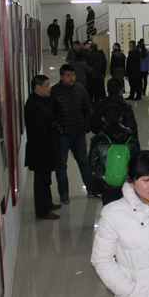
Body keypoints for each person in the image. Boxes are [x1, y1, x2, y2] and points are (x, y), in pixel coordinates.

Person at [91, 151, 149, 297]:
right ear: (131, 181)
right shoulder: (113, 213)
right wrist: (129, 291)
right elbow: (101, 259)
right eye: (146, 180)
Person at [50, 64, 97, 203]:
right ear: (61, 77)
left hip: (79, 134)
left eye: (73, 75)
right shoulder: (54, 92)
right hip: (62, 136)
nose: (71, 78)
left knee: (84, 162)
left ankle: (91, 189)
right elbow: (51, 115)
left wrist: (86, 126)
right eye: (68, 75)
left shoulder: (80, 89)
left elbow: (88, 109)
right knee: (61, 166)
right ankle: (64, 194)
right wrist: (58, 129)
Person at [24, 75, 63, 219]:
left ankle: (48, 204)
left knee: (46, 179)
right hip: (40, 150)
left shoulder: (42, 101)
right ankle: (42, 211)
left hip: (45, 148)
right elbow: (39, 130)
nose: (49, 88)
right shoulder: (34, 105)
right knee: (41, 181)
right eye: (46, 85)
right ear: (37, 87)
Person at [88, 104, 141, 206]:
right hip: (127, 184)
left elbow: (92, 163)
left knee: (109, 209)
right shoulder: (131, 137)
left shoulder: (98, 140)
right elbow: (137, 161)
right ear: (121, 118)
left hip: (107, 185)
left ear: (103, 119)